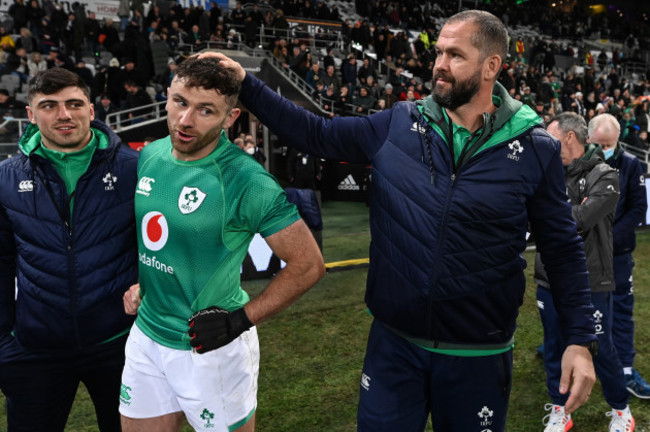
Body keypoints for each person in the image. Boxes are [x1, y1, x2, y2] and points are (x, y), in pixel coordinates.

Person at [210, 9, 597, 431]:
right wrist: (247, 85)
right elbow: (317, 133)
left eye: (455, 55)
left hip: (479, 356)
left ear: (491, 67)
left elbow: (561, 247)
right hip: (394, 345)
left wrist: (579, 339)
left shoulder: (535, 148)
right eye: (439, 52)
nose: (440, 66)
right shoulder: (397, 123)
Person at [119, 56, 325, 431]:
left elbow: (308, 264)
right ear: (167, 96)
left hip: (210, 348)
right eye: (180, 102)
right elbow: (162, 239)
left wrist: (240, 320)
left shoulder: (247, 181)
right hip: (147, 338)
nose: (185, 120)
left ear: (230, 119)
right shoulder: (150, 155)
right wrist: (143, 285)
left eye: (206, 111)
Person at [0, 67, 139, 431]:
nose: (64, 115)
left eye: (74, 104)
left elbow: (159, 248)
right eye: (49, 105)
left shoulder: (135, 170)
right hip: (36, 348)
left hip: (122, 344)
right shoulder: (5, 178)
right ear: (30, 115)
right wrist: (3, 343)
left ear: (91, 111)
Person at [534, 112, 633, 432]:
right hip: (549, 277)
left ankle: (621, 410)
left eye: (550, 137)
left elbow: (578, 220)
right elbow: (535, 214)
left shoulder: (606, 174)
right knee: (554, 346)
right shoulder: (547, 172)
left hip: (591, 279)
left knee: (601, 349)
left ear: (569, 138)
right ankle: (560, 408)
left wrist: (549, 212)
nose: (545, 143)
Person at [588, 113, 650, 399]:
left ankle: (625, 369)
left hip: (617, 255)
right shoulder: (574, 163)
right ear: (589, 139)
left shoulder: (630, 164)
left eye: (610, 144)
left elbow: (638, 208)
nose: (606, 149)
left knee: (621, 311)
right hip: (583, 255)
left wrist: (610, 238)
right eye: (600, 143)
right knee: (575, 306)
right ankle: (567, 351)